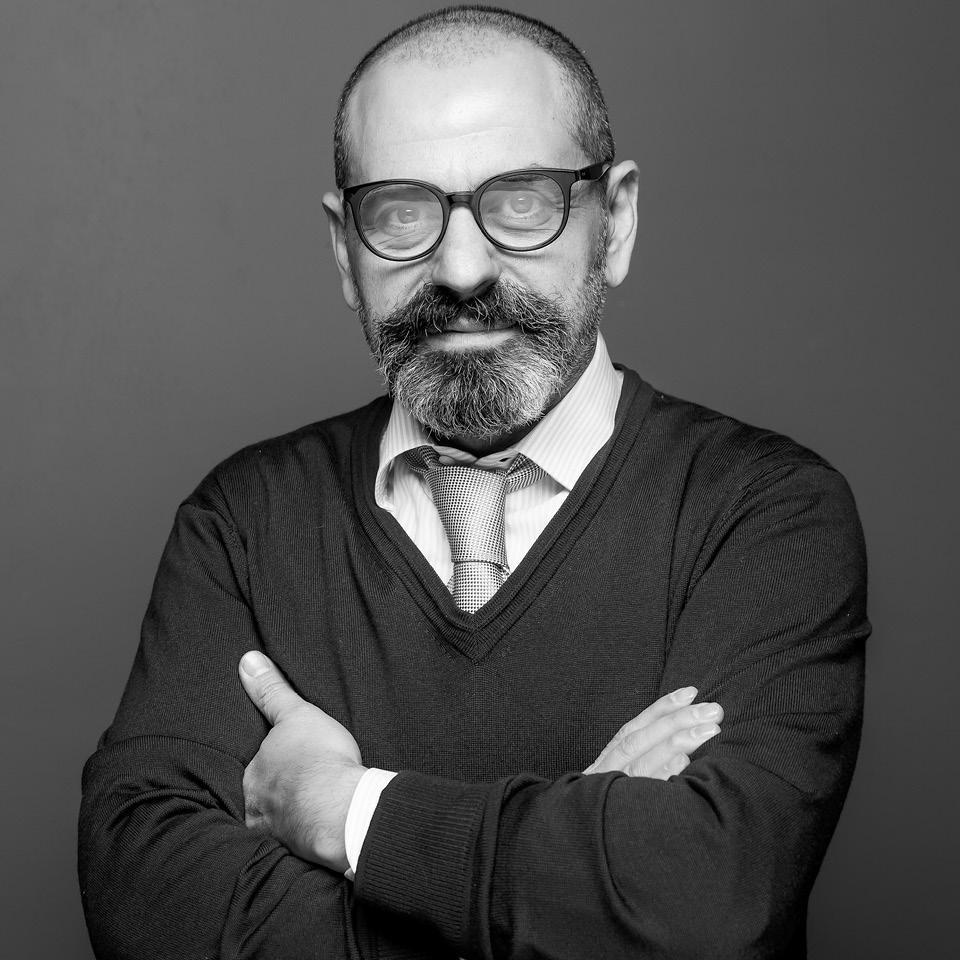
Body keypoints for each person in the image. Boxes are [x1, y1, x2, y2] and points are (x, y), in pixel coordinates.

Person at [78, 6, 869, 959]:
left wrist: (345, 811)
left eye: (522, 202)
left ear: (615, 222)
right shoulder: (243, 524)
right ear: (344, 250)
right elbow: (145, 905)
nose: (460, 269)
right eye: (401, 213)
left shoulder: (764, 514)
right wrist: (574, 876)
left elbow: (701, 907)